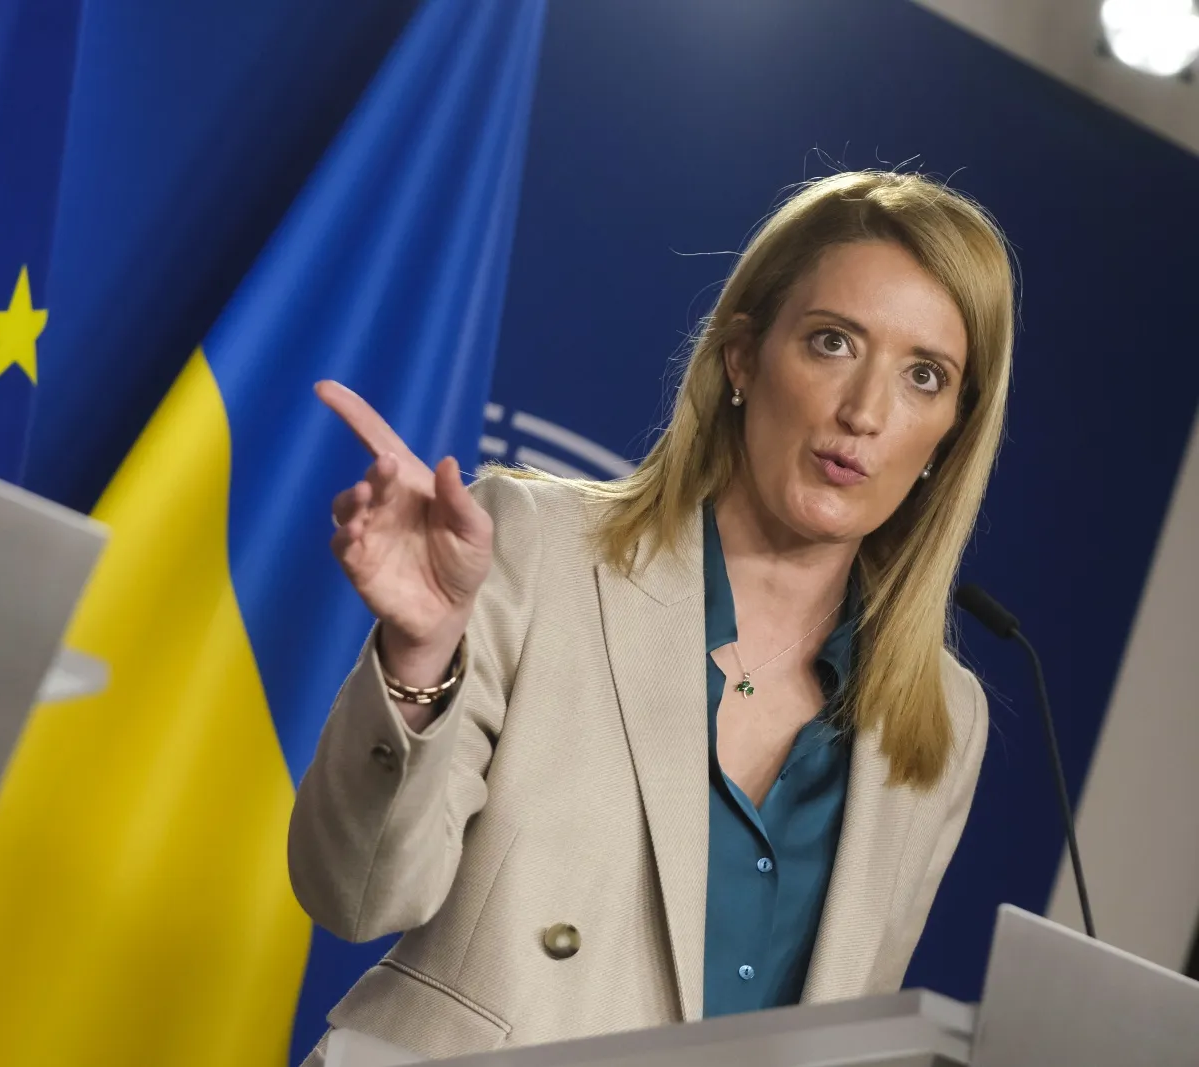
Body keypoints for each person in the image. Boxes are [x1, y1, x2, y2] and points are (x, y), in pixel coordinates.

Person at [290, 170, 1012, 1063]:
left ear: (952, 430)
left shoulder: (945, 721)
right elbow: (355, 896)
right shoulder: (542, 548)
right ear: (742, 356)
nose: (864, 412)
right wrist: (419, 658)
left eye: (923, 376)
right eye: (832, 342)